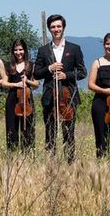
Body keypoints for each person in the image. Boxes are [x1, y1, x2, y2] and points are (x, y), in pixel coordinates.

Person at [33, 14, 86, 162]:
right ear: (49, 29)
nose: (56, 29)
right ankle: (51, 163)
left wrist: (66, 75)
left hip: (68, 96)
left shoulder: (74, 48)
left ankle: (70, 162)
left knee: (69, 132)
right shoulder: (43, 50)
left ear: (63, 28)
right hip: (50, 96)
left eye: (58, 26)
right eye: (53, 27)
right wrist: (49, 68)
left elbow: (82, 72)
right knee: (50, 132)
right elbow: (36, 74)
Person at [4, 39, 39, 152]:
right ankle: (12, 154)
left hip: (27, 99)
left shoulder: (31, 65)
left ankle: (28, 153)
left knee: (28, 129)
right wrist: (16, 84)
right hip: (12, 99)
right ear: (13, 51)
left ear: (25, 50)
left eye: (20, 49)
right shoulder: (9, 65)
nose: (18, 52)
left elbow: (36, 84)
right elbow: (4, 83)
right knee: (12, 128)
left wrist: (27, 81)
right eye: (16, 50)